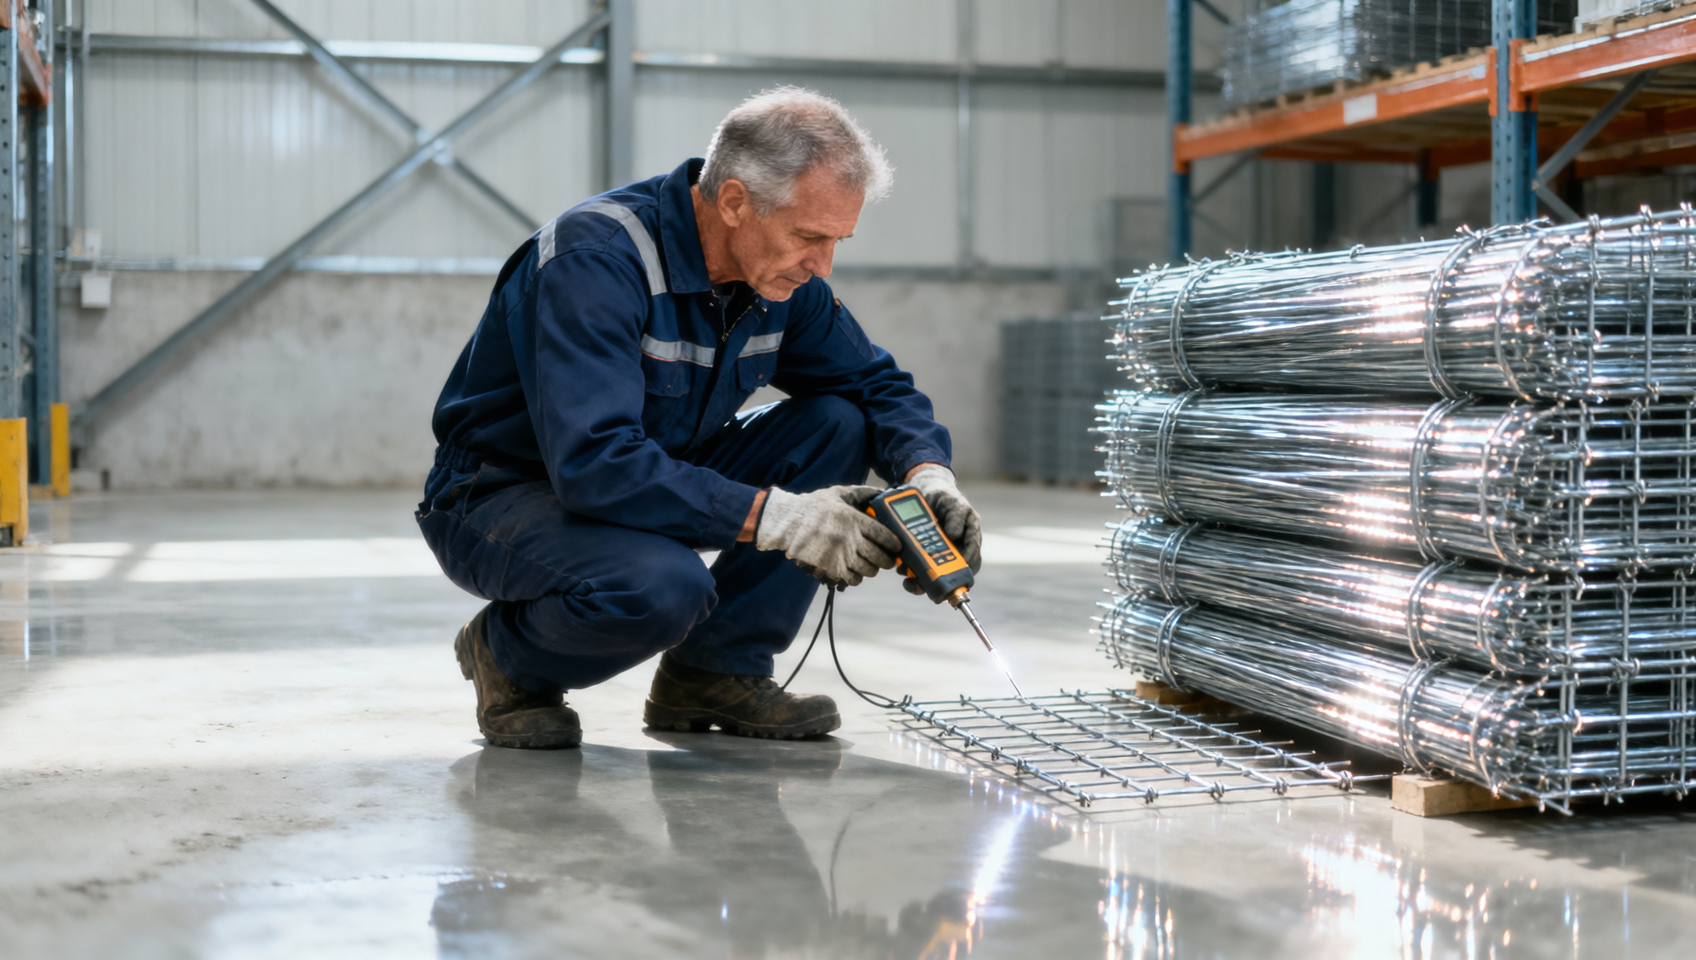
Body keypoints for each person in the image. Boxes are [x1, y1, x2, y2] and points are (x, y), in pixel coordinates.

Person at [417, 86, 982, 750]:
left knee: (838, 420)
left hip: (649, 468)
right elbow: (594, 463)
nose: (822, 266)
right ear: (735, 201)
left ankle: (715, 671)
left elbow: (874, 384)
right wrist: (780, 517)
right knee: (662, 587)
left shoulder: (779, 280)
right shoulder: (595, 261)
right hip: (500, 495)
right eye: (808, 237)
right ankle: (506, 655)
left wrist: (931, 474)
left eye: (835, 241)